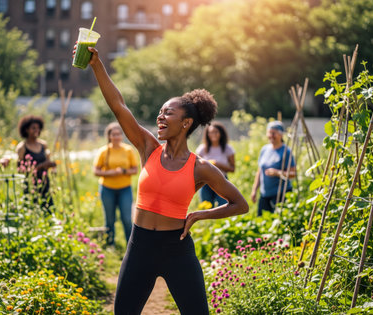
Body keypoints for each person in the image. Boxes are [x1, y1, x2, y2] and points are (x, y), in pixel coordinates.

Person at [77, 45, 248, 314]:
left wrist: (199, 216)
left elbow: (240, 204)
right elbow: (118, 105)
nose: (160, 116)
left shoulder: (201, 168)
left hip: (176, 250)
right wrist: (96, 64)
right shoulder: (148, 148)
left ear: (186, 123)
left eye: (168, 112)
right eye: (160, 112)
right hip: (140, 245)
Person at [93, 122, 138, 246]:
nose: (116, 137)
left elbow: (135, 170)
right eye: (113, 134)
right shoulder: (103, 151)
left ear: (122, 136)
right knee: (109, 219)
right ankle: (110, 244)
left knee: (127, 219)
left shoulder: (128, 150)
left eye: (118, 134)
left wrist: (123, 171)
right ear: (109, 136)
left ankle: (131, 245)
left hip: (125, 189)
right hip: (107, 189)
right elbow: (96, 171)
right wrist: (111, 173)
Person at [251, 121, 296, 216]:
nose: (271, 135)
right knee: (261, 221)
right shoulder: (264, 149)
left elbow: (293, 174)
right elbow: (260, 171)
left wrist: (277, 173)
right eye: (269, 133)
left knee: (279, 222)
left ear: (281, 135)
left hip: (280, 194)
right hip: (264, 194)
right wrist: (254, 190)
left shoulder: (286, 151)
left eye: (273, 133)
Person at [16, 115, 57, 212]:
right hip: (30, 185)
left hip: (44, 183)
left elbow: (47, 160)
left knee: (48, 209)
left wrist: (51, 164)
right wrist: (39, 167)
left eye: (38, 128)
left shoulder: (43, 144)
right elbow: (20, 170)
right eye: (33, 128)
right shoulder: (22, 147)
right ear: (26, 129)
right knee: (32, 210)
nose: (37, 130)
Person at [196, 122, 235, 207]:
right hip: (205, 182)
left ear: (221, 133)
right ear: (207, 134)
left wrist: (218, 165)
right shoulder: (202, 149)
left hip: (222, 180)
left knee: (223, 206)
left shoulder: (227, 149)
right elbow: (196, 167)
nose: (213, 134)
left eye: (216, 132)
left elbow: (232, 169)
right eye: (210, 132)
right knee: (207, 207)